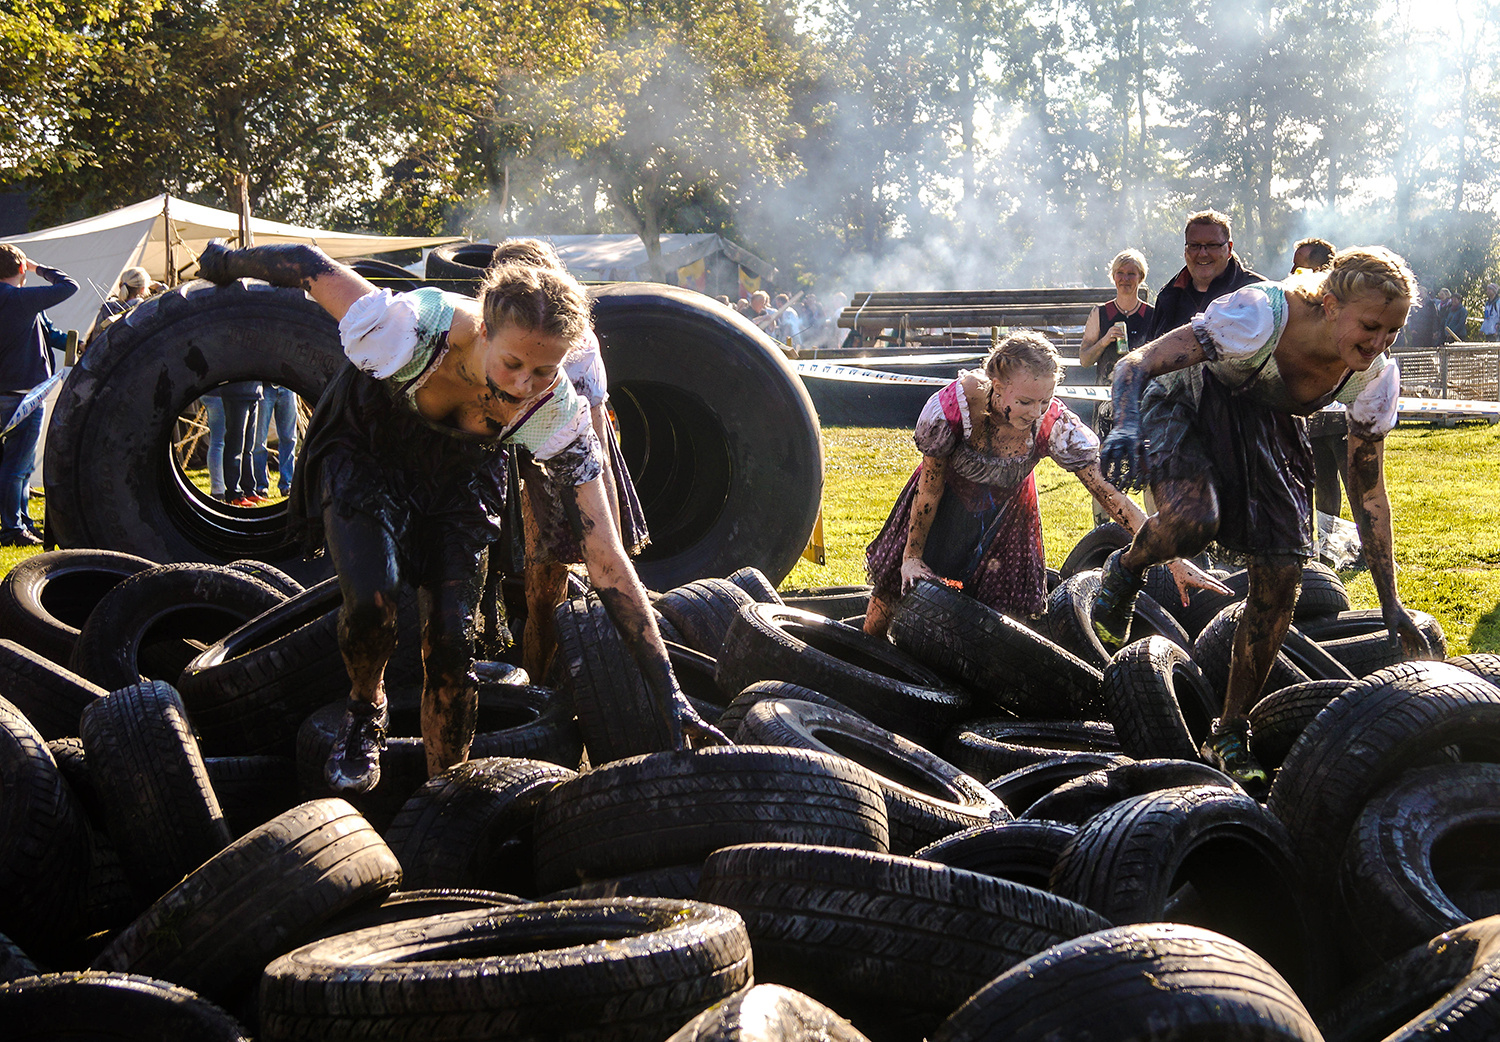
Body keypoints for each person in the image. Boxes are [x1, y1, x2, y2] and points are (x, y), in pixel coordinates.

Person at [195, 238, 723, 793]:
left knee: (452, 643)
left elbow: (607, 556)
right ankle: (364, 707)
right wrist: (223, 263)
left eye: (544, 370)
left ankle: (443, 791)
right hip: (370, 449)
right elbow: (306, 263)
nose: (524, 384)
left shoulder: (556, 413)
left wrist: (668, 690)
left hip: (463, 476)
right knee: (375, 603)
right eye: (514, 363)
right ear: (483, 331)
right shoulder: (403, 328)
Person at [1091, 246, 1419, 788]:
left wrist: (1391, 601)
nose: (1380, 343)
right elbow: (1135, 363)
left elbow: (1369, 495)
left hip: (1267, 420)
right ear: (1332, 305)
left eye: (1393, 331)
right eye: (1371, 326)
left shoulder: (1373, 377)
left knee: (1284, 573)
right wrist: (1124, 424)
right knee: (1195, 522)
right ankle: (1126, 568)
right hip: (1190, 399)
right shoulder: (1258, 314)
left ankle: (1229, 729)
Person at [862, 330, 1222, 636]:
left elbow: (1109, 495)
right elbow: (930, 487)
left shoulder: (1054, 425)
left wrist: (1171, 557)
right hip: (942, 506)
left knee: (1001, 620)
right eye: (1024, 401)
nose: (1035, 412)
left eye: (1045, 400)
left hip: (1007, 517)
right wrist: (911, 556)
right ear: (997, 387)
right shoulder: (955, 408)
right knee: (889, 599)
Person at [483, 237, 648, 681]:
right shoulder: (483, 326)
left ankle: (539, 689)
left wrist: (608, 524)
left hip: (555, 456)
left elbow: (594, 434)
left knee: (544, 592)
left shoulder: (574, 340)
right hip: (495, 453)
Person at [0, 244, 76, 546]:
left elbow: (48, 332)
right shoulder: (19, 299)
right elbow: (69, 285)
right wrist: (36, 267)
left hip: (9, 391)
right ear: (19, 269)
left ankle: (21, 521)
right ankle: (12, 528)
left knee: (17, 464)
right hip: (22, 395)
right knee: (17, 465)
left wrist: (76, 344)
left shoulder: (21, 301)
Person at [1079, 249, 1155, 525]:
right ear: (1113, 277)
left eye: (1131, 273)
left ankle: (1152, 529)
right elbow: (1084, 359)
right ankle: (1104, 530)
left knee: (1149, 464)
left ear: (1140, 278)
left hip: (1143, 403)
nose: (1125, 279)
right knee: (1105, 466)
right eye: (1121, 273)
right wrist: (1104, 341)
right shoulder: (1101, 314)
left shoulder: (1152, 314)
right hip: (1106, 403)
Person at [1292, 242, 1351, 532]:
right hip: (1314, 413)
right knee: (1323, 481)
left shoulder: (1349, 303)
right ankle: (1329, 547)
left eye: (1299, 266)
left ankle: (1374, 548)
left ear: (1320, 268)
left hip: (1346, 415)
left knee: (1358, 484)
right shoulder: (1299, 306)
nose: (1292, 273)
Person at [1145, 210, 1265, 342]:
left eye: (1212, 245)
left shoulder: (1258, 294)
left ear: (1229, 249)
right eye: (1194, 246)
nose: (1202, 253)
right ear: (1185, 250)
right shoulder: (1169, 296)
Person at [218, 380, 265, 506]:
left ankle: (249, 489)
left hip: (254, 392)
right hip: (236, 392)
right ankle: (234, 493)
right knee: (235, 446)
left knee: (248, 448)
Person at [252, 384, 299, 499]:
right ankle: (260, 486)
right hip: (264, 387)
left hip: (288, 387)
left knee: (289, 438)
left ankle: (287, 484)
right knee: (259, 441)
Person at [88, 266, 153, 344]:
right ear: (142, 289)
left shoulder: (108, 308)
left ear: (120, 285)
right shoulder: (144, 308)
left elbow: (95, 339)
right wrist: (161, 288)